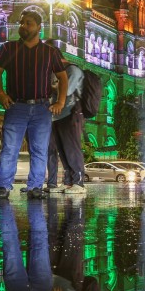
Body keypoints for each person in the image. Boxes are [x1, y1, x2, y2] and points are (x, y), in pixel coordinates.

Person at [0, 11, 68, 200]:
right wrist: (1, 94)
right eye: (22, 23)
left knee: (39, 149)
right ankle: (3, 186)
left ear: (39, 27)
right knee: (10, 148)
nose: (23, 26)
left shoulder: (50, 52)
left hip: (42, 108)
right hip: (16, 106)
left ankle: (35, 186)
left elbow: (63, 77)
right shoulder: (9, 48)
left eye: (29, 23)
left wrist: (60, 101)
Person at [46, 63, 86, 195]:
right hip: (57, 116)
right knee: (63, 151)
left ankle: (78, 183)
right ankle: (68, 182)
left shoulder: (73, 70)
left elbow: (67, 91)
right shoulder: (57, 72)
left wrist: (54, 87)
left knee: (72, 149)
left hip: (71, 114)